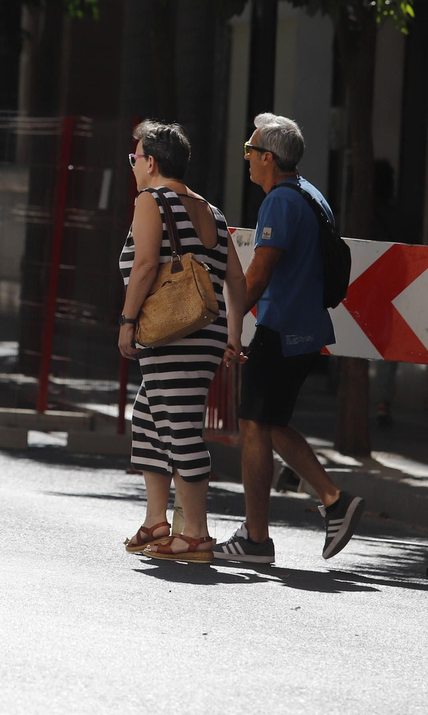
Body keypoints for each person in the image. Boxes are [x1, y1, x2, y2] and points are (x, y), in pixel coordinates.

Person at [213, 113, 366, 565]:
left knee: (255, 424)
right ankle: (334, 501)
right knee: (271, 422)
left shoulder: (280, 201)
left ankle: (257, 539)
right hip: (304, 328)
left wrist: (231, 328)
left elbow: (257, 275)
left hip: (281, 329)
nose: (245, 157)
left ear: (268, 158)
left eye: (249, 149)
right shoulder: (310, 193)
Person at [117, 121, 247, 564]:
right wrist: (232, 336)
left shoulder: (151, 201)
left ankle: (195, 533)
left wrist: (126, 320)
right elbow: (236, 280)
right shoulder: (211, 210)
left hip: (172, 334)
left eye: (135, 158)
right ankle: (157, 521)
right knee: (148, 416)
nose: (133, 166)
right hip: (205, 332)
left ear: (151, 162)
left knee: (180, 428)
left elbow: (146, 265)